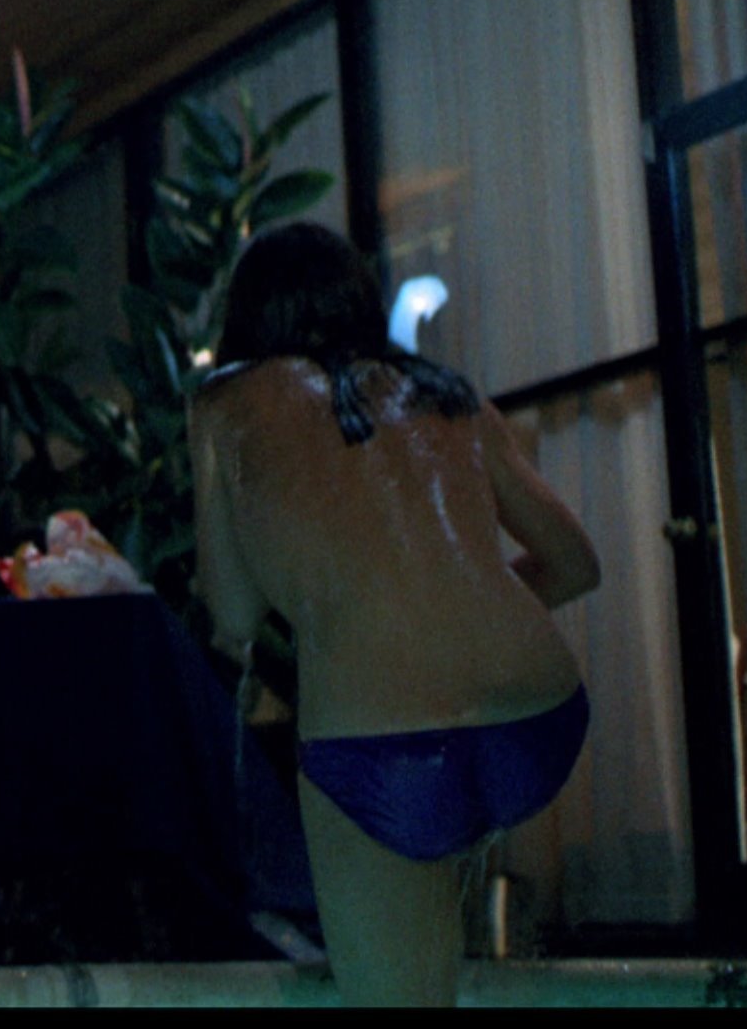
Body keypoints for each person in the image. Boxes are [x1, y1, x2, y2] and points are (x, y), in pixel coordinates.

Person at [189, 223, 601, 1006]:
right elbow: (577, 564)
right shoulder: (447, 395)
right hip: (536, 712)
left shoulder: (225, 404)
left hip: (381, 743)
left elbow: (234, 619)